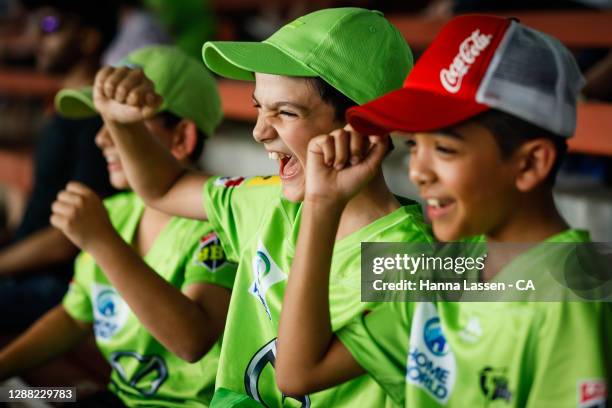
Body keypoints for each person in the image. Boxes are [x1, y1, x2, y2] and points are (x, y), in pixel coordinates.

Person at [86, 7, 433, 407]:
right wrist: (122, 124)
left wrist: (323, 202)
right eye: (258, 108)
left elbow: (296, 376)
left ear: (363, 128)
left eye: (285, 112)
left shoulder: (410, 261)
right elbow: (165, 187)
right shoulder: (267, 201)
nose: (259, 132)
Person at [275, 15, 610, 407]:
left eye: (446, 149)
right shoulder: (447, 266)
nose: (418, 171)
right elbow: (297, 373)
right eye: (415, 145)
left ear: (531, 164)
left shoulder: (571, 294)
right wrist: (322, 204)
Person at [0, 46, 236, 407]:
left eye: (124, 123)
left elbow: (191, 341)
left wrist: (101, 241)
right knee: (20, 394)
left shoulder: (218, 223)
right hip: (119, 397)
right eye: (103, 122)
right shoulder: (116, 211)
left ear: (182, 138)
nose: (101, 139)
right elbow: (73, 317)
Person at [0, 0, 118, 331]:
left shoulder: (96, 122)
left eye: (51, 25)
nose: (38, 36)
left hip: (54, 286)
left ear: (88, 39)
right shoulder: (66, 111)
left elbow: (69, 238)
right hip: (25, 272)